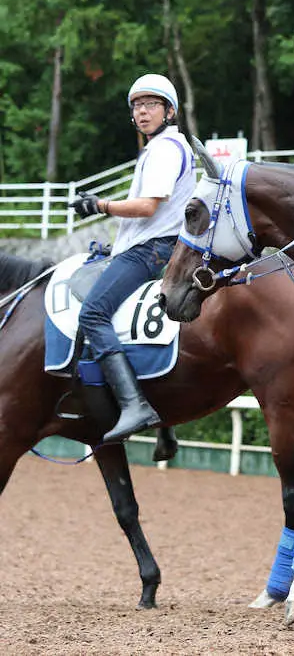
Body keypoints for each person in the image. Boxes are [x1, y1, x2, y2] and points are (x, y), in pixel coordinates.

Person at [71, 73, 196, 442]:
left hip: (153, 250)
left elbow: (145, 206)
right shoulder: (162, 148)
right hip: (153, 245)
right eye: (137, 107)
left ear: (169, 111)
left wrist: (99, 205)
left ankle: (134, 405)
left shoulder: (164, 150)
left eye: (151, 105)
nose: (142, 112)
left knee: (92, 313)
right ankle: (165, 427)